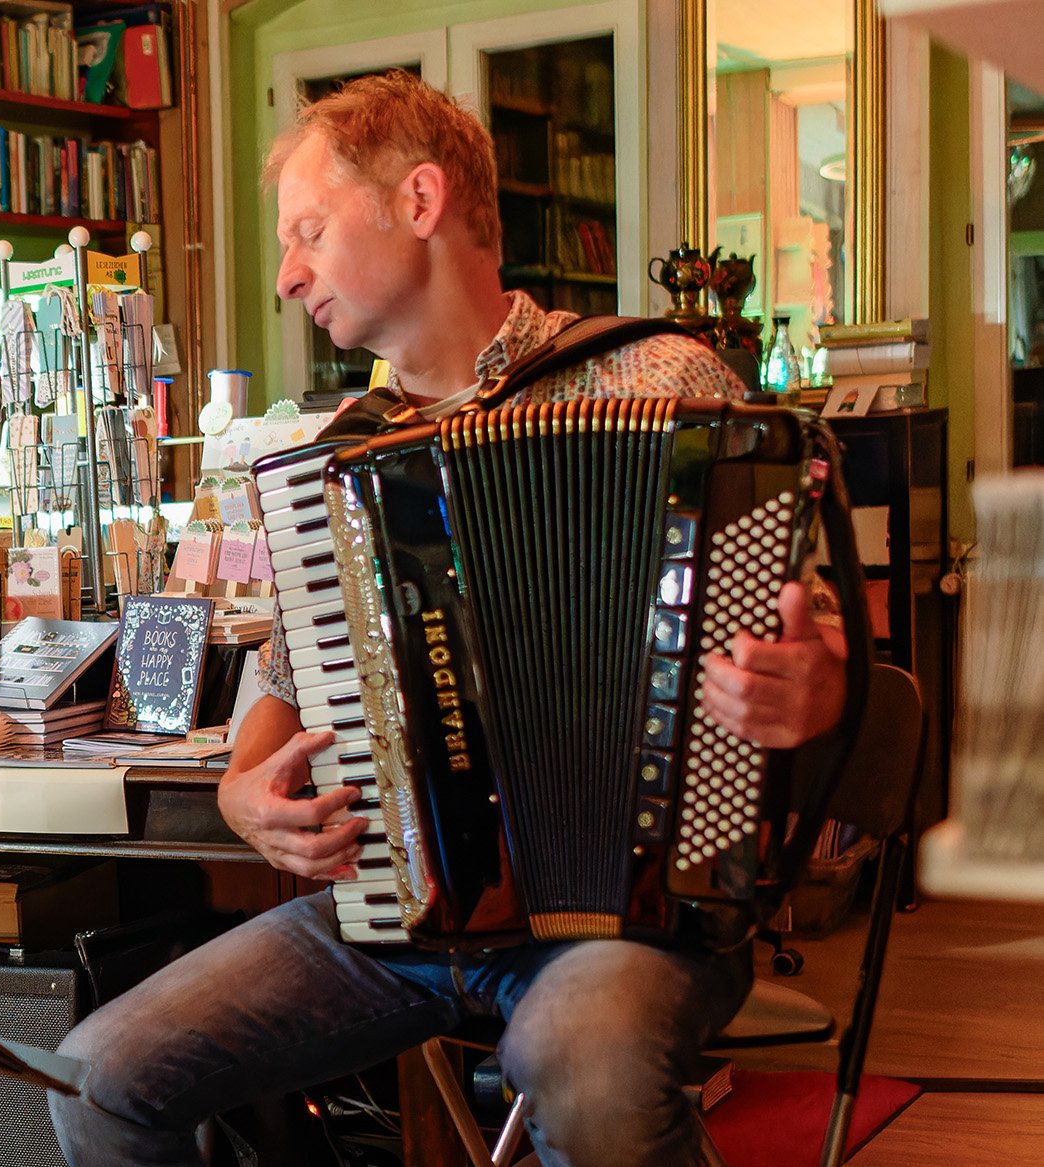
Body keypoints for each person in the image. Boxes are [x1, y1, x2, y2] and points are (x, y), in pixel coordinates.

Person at [48, 72, 850, 1167]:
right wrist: (244, 799)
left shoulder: (660, 379)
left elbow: (819, 649)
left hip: (641, 914)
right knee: (98, 1080)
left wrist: (810, 685)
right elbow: (274, 704)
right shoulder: (336, 463)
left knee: (582, 1067)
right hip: (402, 912)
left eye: (309, 233)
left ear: (418, 201)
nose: (286, 277)